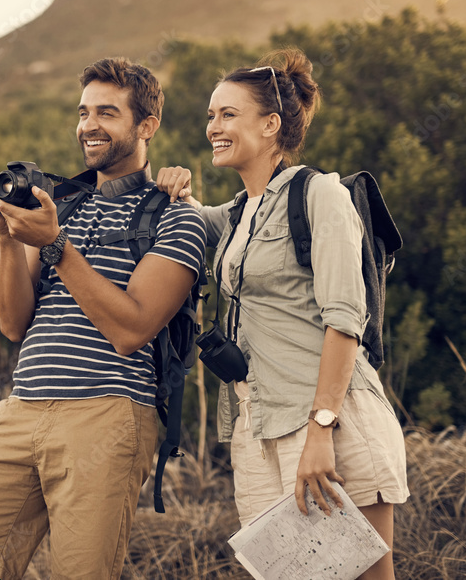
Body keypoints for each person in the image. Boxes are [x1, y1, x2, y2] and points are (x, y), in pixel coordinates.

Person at [0, 57, 207, 580]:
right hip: (21, 409)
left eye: (107, 112)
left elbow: (132, 329)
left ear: (146, 126)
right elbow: (14, 324)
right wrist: (9, 237)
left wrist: (55, 245)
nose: (88, 126)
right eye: (83, 113)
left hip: (107, 415)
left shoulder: (175, 216)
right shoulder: (63, 207)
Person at [157, 48, 409, 579]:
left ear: (271, 125)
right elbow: (182, 219)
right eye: (210, 115)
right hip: (258, 432)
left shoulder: (321, 194)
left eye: (228, 114)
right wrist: (171, 186)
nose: (213, 127)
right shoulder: (237, 213)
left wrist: (321, 429)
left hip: (331, 422)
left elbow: (345, 319)